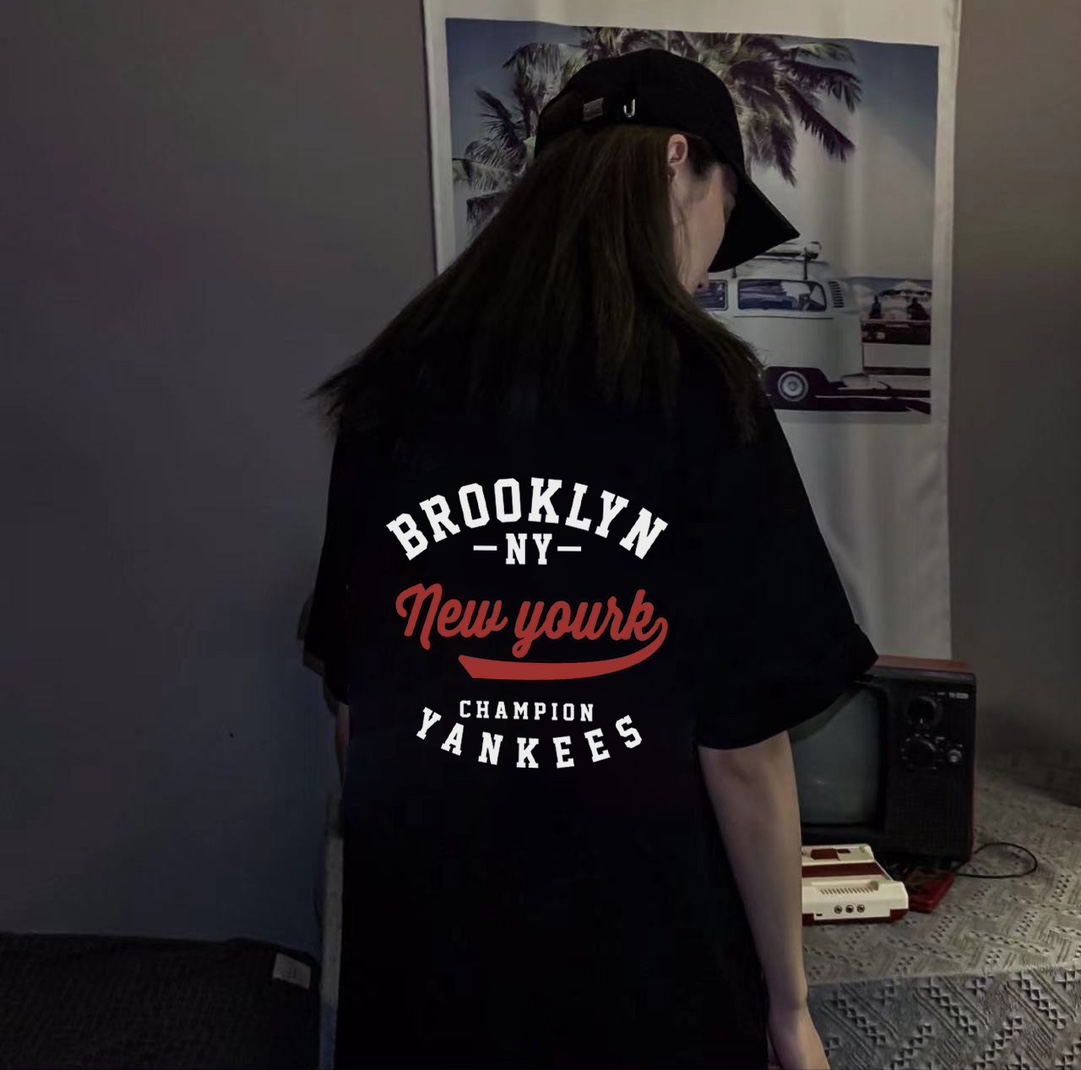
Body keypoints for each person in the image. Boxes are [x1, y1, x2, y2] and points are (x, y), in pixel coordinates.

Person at [303, 49, 877, 1069]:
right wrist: (789, 1008)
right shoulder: (704, 399)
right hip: (643, 982)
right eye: (726, 208)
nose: (713, 258)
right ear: (676, 161)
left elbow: (360, 719)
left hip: (427, 980)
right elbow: (743, 753)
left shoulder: (392, 388)